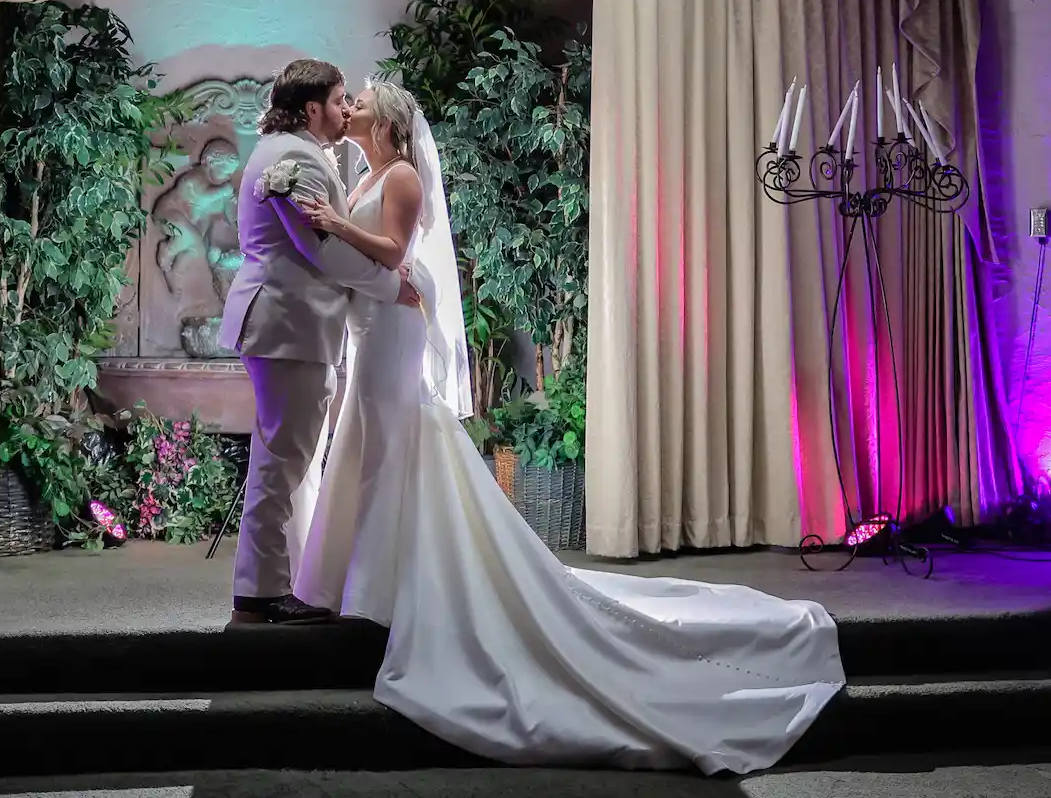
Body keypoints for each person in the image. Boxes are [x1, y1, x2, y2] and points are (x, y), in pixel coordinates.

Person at [291, 79, 846, 775]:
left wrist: (337, 227)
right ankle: (363, 584)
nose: (352, 105)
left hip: (392, 338)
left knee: (385, 448)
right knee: (370, 447)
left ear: (391, 119)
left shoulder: (399, 173)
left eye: (362, 98)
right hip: (372, 332)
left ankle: (381, 595)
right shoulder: (365, 172)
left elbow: (396, 253)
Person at [218, 60, 421, 626]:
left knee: (288, 460)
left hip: (290, 326)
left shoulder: (287, 152)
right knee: (281, 462)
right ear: (312, 108)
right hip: (289, 325)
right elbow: (319, 250)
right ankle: (258, 593)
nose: (346, 109)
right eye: (338, 100)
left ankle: (285, 582)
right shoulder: (295, 159)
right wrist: (390, 286)